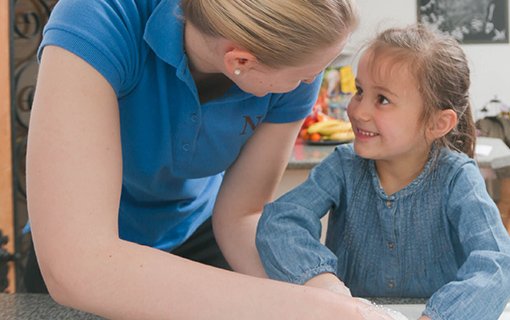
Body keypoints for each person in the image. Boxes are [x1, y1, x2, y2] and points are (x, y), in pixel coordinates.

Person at [25, 0, 400, 319]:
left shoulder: (295, 59)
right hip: (84, 251)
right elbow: (79, 266)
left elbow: (242, 215)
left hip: (200, 238)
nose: (311, 82)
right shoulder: (98, 16)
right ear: (240, 59)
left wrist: (319, 286)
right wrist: (297, 308)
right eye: (306, 75)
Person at [256, 24, 510, 320]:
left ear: (438, 124)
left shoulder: (457, 177)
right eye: (360, 91)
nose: (359, 111)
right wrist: (323, 282)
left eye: (383, 100)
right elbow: (280, 221)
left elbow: (497, 261)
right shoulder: (343, 165)